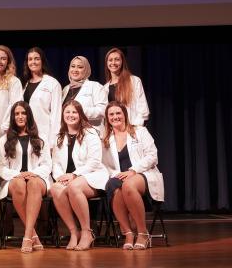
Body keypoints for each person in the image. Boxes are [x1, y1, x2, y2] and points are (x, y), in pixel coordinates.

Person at [103, 101, 164, 250]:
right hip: (119, 177)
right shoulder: (105, 139)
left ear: (125, 114)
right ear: (107, 118)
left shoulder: (140, 131)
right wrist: (115, 175)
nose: (115, 116)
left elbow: (152, 156)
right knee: (114, 187)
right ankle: (128, 233)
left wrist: (133, 170)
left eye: (118, 113)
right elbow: (105, 165)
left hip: (142, 174)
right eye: (111, 114)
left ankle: (143, 233)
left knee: (128, 185)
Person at [50, 100, 109, 251]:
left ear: (80, 114)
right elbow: (55, 163)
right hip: (68, 178)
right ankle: (73, 232)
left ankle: (86, 232)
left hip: (92, 176)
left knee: (74, 187)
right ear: (63, 115)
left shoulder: (90, 133)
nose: (71, 115)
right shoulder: (60, 136)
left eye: (74, 112)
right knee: (55, 189)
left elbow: (94, 162)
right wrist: (60, 177)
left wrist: (74, 175)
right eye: (67, 112)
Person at [0, 101, 52, 253]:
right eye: (17, 114)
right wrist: (18, 174)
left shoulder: (41, 138)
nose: (20, 116)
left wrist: (33, 173)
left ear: (29, 115)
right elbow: (1, 167)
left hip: (37, 178)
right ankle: (33, 235)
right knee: (20, 184)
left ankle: (27, 235)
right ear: (12, 117)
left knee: (33, 183)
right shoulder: (4, 139)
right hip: (14, 179)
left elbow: (47, 164)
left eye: (23, 113)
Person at [19, 47, 62, 147]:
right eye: (30, 59)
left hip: (45, 135)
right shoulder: (24, 83)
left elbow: (56, 115)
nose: (33, 62)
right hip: (25, 133)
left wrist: (53, 142)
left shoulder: (52, 83)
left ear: (42, 61)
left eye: (37, 59)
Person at [61, 56, 108, 136]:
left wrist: (80, 112)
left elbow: (103, 110)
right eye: (73, 66)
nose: (75, 70)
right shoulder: (65, 89)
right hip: (69, 134)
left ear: (86, 70)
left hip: (91, 133)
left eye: (80, 67)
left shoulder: (95, 86)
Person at [104, 47, 150, 126]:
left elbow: (144, 111)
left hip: (133, 128)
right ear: (107, 63)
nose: (113, 62)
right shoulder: (104, 88)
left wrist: (135, 127)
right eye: (110, 60)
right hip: (115, 132)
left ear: (122, 62)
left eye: (117, 59)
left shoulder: (134, 81)